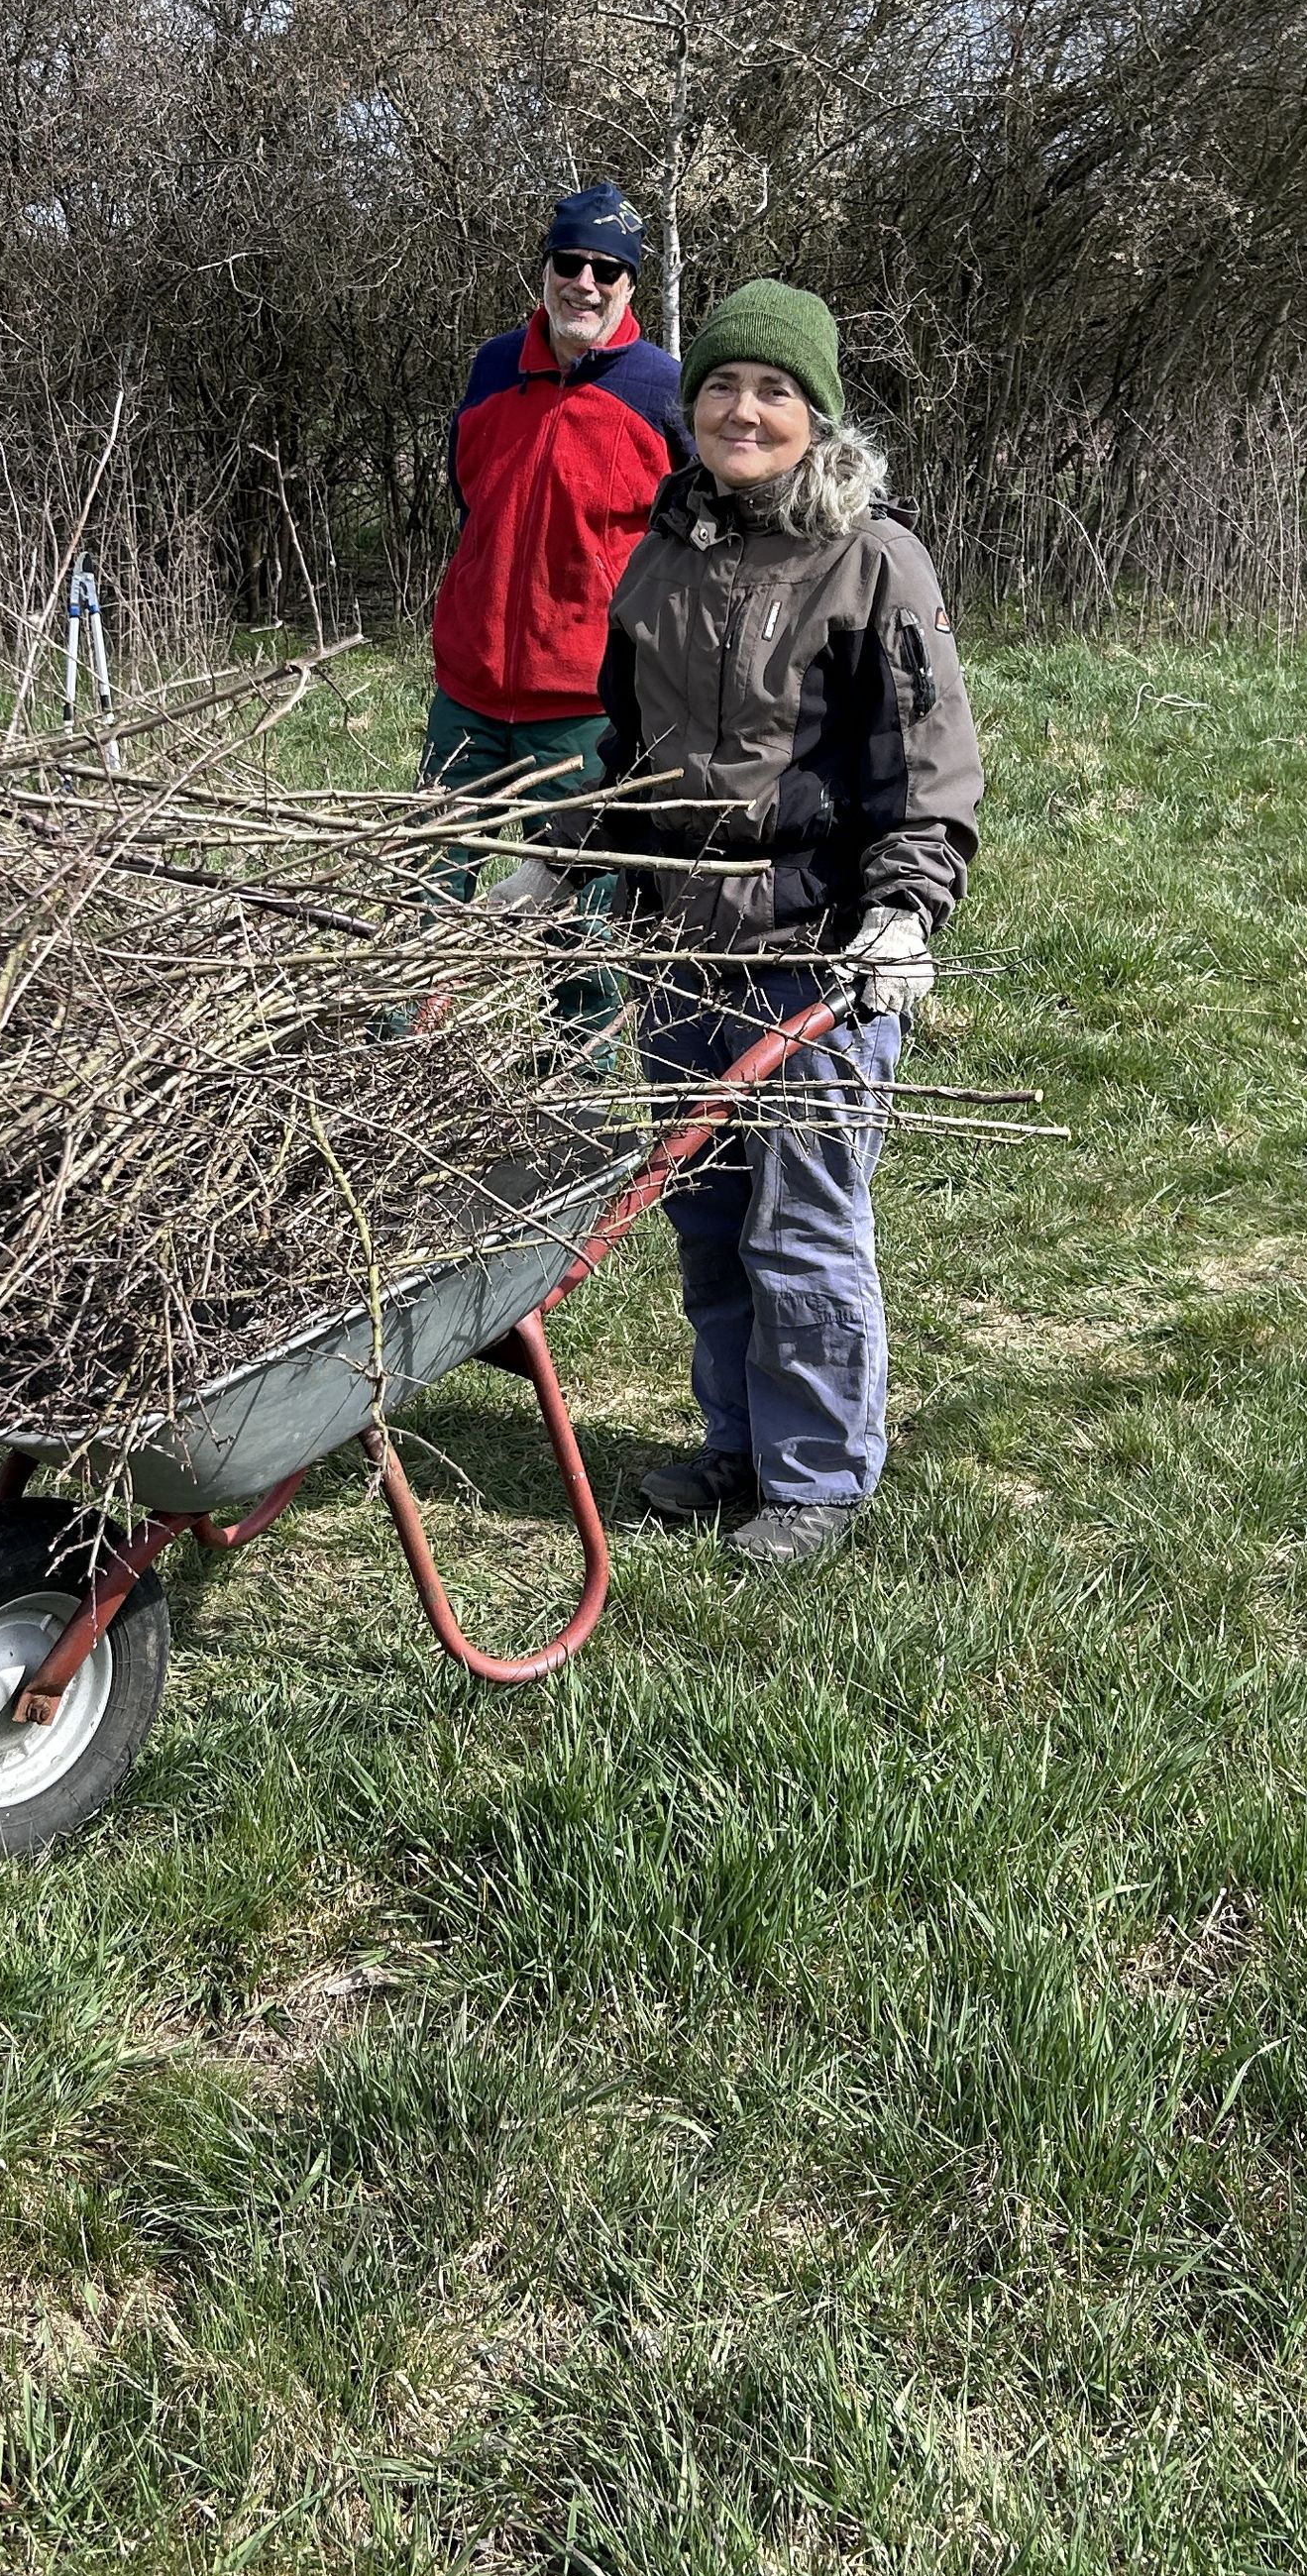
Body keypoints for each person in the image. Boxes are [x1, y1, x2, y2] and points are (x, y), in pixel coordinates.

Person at [507, 277, 981, 1567]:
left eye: (774, 390)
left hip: (816, 951)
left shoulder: (874, 560)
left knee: (804, 1226)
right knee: (708, 1216)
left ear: (816, 415)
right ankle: (742, 1446)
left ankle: (821, 1478)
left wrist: (903, 915)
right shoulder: (661, 559)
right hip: (684, 955)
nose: (744, 409)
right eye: (722, 385)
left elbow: (929, 767)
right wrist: (562, 865)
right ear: (692, 407)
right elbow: (624, 756)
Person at [420, 183, 688, 873]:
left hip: (585, 710)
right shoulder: (493, 368)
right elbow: (469, 495)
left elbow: (694, 537)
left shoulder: (665, 390)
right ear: (544, 269)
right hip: (467, 694)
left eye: (607, 270)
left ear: (631, 284)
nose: (584, 284)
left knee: (580, 928)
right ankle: (432, 989)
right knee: (421, 902)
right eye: (569, 263)